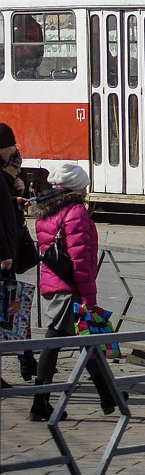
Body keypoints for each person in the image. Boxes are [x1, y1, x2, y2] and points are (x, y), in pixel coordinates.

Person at [29, 162, 120, 421]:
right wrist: (89, 297)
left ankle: (107, 396)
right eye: (85, 186)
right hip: (70, 287)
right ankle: (40, 402)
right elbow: (80, 259)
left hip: (53, 283)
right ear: (77, 187)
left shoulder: (47, 209)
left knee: (86, 339)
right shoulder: (75, 212)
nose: (87, 190)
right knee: (57, 339)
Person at [1, 123, 38, 387]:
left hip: (6, 258)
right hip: (2, 259)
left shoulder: (4, 180)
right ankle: (28, 360)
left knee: (11, 309)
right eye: (11, 147)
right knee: (8, 310)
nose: (14, 151)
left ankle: (28, 360)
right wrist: (4, 253)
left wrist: (15, 198)